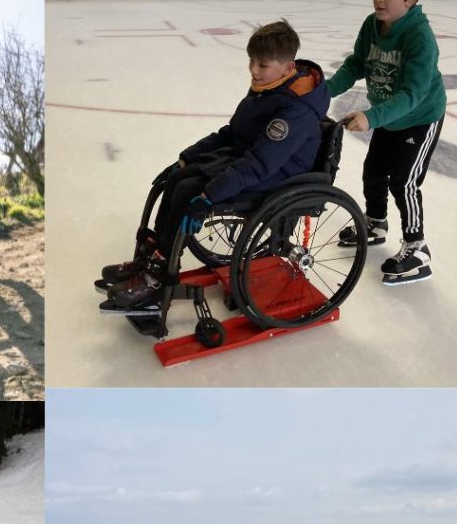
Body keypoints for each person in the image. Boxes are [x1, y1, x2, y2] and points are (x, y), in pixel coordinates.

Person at [99, 20, 329, 310]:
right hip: (246, 159)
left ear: (287, 67)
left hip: (276, 176)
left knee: (189, 192)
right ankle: (152, 259)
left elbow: (260, 163)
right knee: (178, 179)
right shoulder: (270, 87)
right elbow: (233, 133)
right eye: (252, 62)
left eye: (262, 65)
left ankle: (158, 281)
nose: (254, 71)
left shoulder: (295, 110)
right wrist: (188, 156)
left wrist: (210, 196)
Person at [329, 0, 446, 286]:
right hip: (389, 117)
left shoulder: (420, 38)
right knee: (374, 173)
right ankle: (376, 224)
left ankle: (417, 247)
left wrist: (371, 116)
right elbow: (356, 64)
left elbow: (413, 94)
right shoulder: (372, 24)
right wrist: (322, 91)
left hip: (420, 117)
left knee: (404, 182)